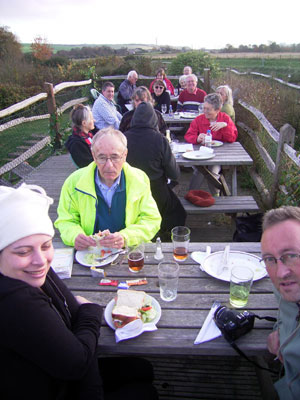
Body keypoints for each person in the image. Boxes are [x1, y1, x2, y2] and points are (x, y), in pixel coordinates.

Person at [0, 183, 158, 400]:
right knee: (145, 392)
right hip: (54, 388)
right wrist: (91, 311)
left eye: (46, 246)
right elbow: (78, 362)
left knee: (142, 369)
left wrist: (81, 319)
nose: (40, 261)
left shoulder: (31, 273)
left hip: (60, 370)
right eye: (23, 252)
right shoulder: (15, 302)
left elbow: (72, 309)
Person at [55, 127, 161, 250]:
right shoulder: (73, 183)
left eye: (115, 157)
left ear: (125, 155)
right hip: (91, 252)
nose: (109, 165)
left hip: (130, 251)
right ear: (93, 156)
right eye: (102, 157)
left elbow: (151, 220)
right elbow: (65, 221)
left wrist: (125, 237)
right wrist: (75, 236)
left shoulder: (139, 179)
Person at [124, 102, 186, 237]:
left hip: (129, 190)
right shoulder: (160, 140)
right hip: (156, 191)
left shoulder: (124, 138)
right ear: (154, 119)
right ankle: (166, 234)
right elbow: (174, 173)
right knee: (178, 212)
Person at [261, 206, 300, 400]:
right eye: (270, 259)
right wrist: (281, 329)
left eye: (291, 255)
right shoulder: (284, 289)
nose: (280, 273)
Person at [184, 93, 238, 195]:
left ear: (217, 110)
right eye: (204, 108)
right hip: (201, 153)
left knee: (213, 170)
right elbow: (188, 136)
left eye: (208, 109)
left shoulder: (225, 119)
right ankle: (190, 195)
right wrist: (197, 138)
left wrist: (225, 126)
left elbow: (232, 139)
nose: (205, 111)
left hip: (219, 154)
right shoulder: (199, 119)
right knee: (200, 170)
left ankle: (216, 195)